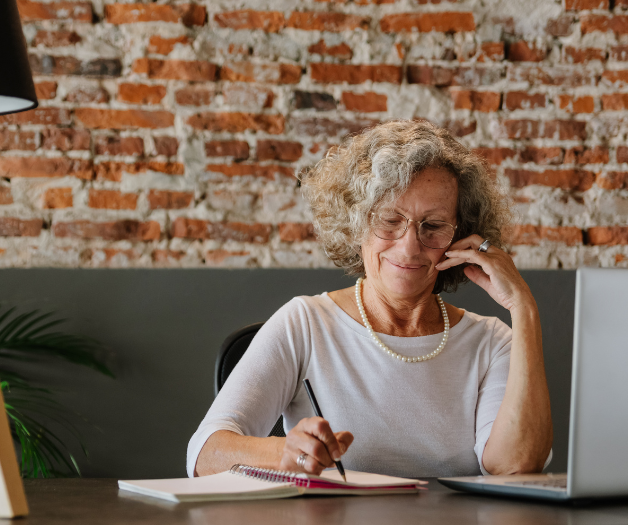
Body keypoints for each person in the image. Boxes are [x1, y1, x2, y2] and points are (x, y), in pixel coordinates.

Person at [187, 119, 553, 478]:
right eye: (389, 220)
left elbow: (514, 464)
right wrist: (286, 451)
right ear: (356, 223)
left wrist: (524, 309)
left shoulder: (491, 342)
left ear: (461, 238)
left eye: (434, 225)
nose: (410, 246)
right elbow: (205, 453)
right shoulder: (304, 323)